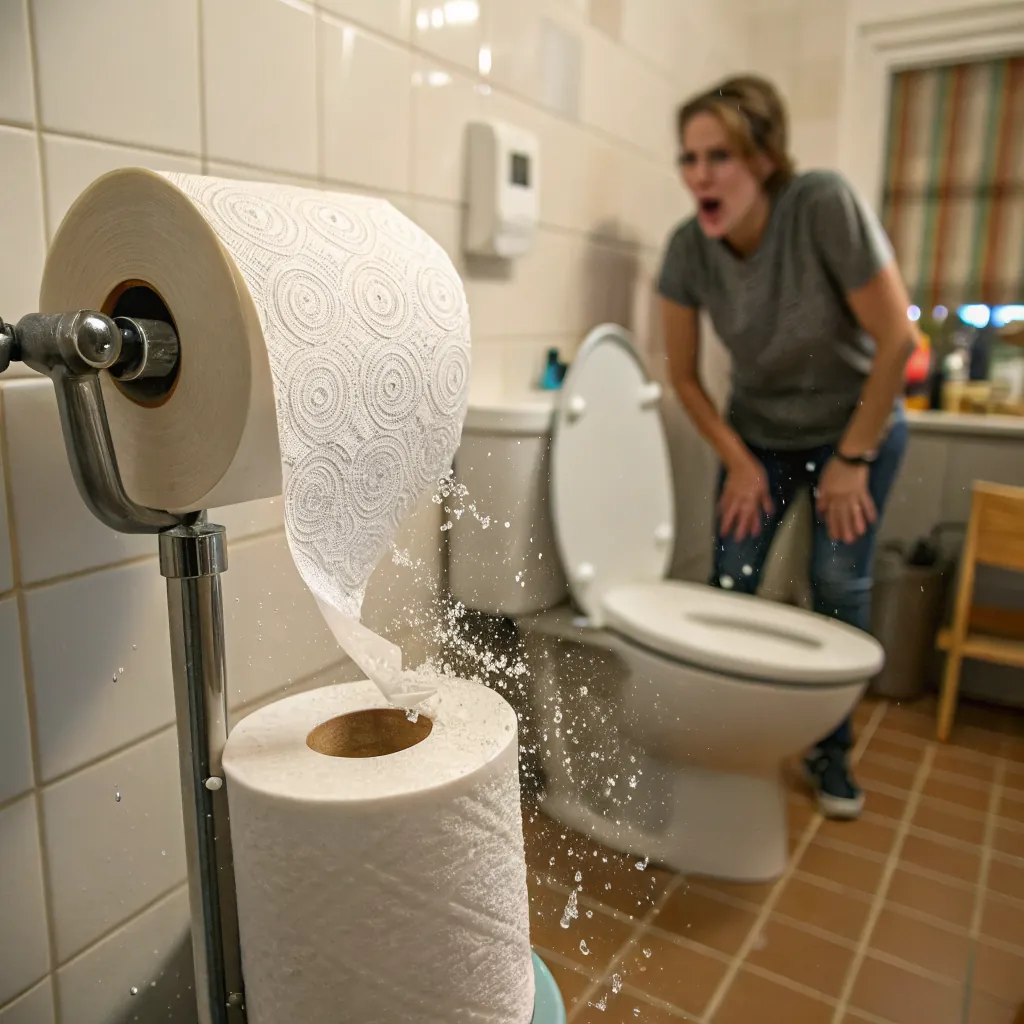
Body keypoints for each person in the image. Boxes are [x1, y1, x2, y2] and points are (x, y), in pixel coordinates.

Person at [658, 75, 916, 820]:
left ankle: (830, 751)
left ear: (766, 159)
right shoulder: (688, 249)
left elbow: (899, 337)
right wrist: (737, 460)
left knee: (836, 586)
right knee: (733, 581)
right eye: (689, 158)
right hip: (760, 437)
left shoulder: (822, 206)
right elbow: (681, 374)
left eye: (720, 157)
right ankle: (732, 739)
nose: (700, 175)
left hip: (857, 425)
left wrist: (853, 459)